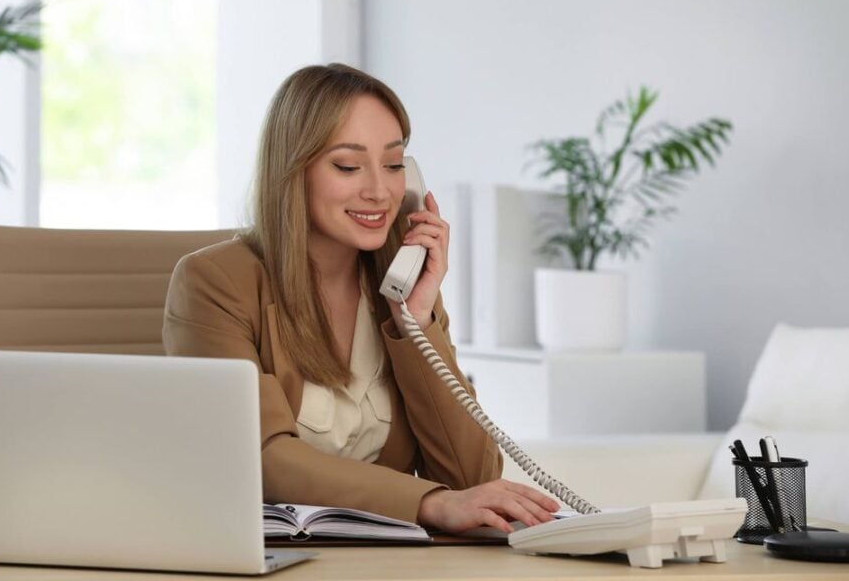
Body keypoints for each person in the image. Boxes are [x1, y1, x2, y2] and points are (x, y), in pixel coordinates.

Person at [163, 63, 558, 533]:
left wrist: (415, 322)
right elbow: (261, 457)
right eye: (348, 166)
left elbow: (469, 478)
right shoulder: (215, 282)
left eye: (393, 165)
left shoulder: (400, 287)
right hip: (264, 555)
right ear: (293, 171)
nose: (378, 191)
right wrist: (427, 504)